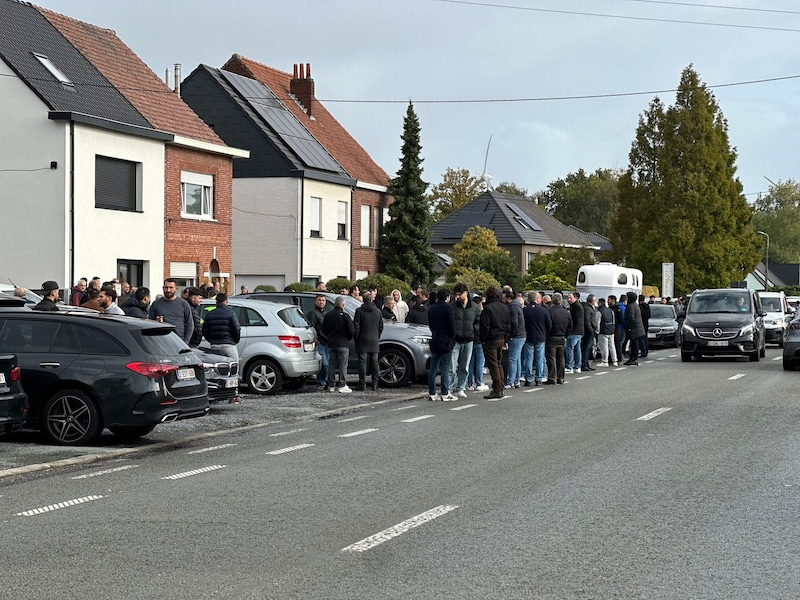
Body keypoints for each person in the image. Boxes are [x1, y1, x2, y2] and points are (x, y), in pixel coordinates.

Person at [479, 286, 510, 399]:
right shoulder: (504, 307)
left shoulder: (488, 308)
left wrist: (483, 338)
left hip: (491, 338)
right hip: (501, 337)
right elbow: (508, 325)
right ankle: (501, 387)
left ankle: (497, 388)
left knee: (493, 365)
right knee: (498, 363)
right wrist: (506, 339)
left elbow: (485, 325)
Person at [450, 282, 480, 397]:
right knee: (452, 367)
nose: (457, 297)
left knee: (464, 367)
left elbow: (478, 322)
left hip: (468, 340)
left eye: (459, 294)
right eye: (456, 294)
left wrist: (473, 330)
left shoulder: (475, 307)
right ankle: (448, 388)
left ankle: (460, 388)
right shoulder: (452, 306)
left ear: (466, 293)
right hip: (455, 340)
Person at [427, 288, 457, 401]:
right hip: (446, 340)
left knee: (433, 368)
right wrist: (452, 338)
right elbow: (452, 325)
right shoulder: (448, 308)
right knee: (445, 367)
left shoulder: (431, 308)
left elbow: (430, 325)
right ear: (447, 297)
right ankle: (445, 393)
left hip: (435, 338)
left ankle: (432, 392)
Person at [353, 291, 384, 391]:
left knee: (362, 362)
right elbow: (381, 326)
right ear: (371, 299)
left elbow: (356, 326)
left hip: (362, 339)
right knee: (374, 362)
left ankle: (362, 383)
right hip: (374, 339)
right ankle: (375, 383)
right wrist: (377, 336)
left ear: (363, 299)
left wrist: (356, 338)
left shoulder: (359, 311)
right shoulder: (378, 311)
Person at [323, 296, 354, 393]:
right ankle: (342, 384)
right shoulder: (345, 316)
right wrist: (347, 338)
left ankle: (331, 385)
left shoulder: (328, 315)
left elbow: (324, 329)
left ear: (334, 304)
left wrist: (329, 337)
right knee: (343, 365)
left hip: (331, 343)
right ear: (343, 305)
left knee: (332, 365)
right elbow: (351, 330)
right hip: (343, 343)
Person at [149, 278, 194, 344]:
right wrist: (157, 322)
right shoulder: (156, 304)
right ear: (163, 288)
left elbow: (190, 324)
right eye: (166, 287)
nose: (168, 290)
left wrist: (185, 342)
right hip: (161, 342)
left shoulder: (183, 304)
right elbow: (150, 324)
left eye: (171, 288)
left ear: (176, 289)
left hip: (179, 342)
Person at [522, 291, 551, 386]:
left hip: (529, 336)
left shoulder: (525, 311)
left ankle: (528, 378)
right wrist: (545, 333)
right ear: (536, 299)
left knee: (528, 359)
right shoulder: (543, 310)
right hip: (540, 336)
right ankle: (539, 378)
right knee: (539, 359)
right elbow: (549, 324)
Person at [201, 293, 241, 361]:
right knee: (234, 365)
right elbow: (236, 329)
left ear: (216, 302)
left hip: (215, 345)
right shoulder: (231, 313)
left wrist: (212, 340)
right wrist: (235, 341)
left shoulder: (209, 314)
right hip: (228, 344)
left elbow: (205, 331)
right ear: (226, 301)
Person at [545, 292, 572, 385]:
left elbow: (547, 325)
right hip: (562, 337)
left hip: (552, 336)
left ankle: (552, 377)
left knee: (551, 358)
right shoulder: (566, 313)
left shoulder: (549, 312)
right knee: (561, 358)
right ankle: (561, 377)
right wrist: (566, 335)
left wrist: (547, 334)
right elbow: (570, 326)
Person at [306, 294, 330, 391]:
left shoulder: (326, 314)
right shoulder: (313, 314)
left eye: (323, 300)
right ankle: (321, 382)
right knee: (323, 364)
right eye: (319, 300)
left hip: (328, 343)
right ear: (316, 302)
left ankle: (326, 382)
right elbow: (312, 329)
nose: (321, 302)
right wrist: (316, 339)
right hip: (320, 343)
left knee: (328, 364)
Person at [502, 289, 525, 388]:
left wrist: (510, 335)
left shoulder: (513, 307)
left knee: (512, 359)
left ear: (508, 298)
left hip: (516, 336)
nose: (503, 300)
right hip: (521, 335)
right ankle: (516, 380)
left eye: (504, 298)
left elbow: (514, 323)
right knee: (516, 359)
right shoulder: (517, 305)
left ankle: (510, 381)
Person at [467, 292, 489, 392]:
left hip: (471, 339)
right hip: (479, 340)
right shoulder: (481, 314)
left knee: (470, 362)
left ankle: (470, 383)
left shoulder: (469, 313)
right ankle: (479, 382)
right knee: (480, 362)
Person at [624, 291, 645, 366]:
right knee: (634, 343)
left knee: (634, 344)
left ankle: (633, 358)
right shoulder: (635, 305)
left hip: (634, 328)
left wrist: (629, 327)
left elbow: (631, 318)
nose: (626, 299)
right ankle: (633, 358)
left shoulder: (631, 306)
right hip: (637, 328)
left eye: (627, 297)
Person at [565, 291, 584, 374]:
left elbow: (574, 320)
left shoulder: (575, 307)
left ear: (575, 298)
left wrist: (569, 329)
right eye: (568, 298)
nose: (569, 299)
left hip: (574, 331)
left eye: (570, 298)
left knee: (569, 348)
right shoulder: (578, 306)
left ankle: (569, 366)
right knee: (577, 349)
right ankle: (577, 366)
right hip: (579, 331)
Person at [596, 298, 618, 367]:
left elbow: (597, 322)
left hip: (603, 331)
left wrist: (597, 331)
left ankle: (605, 361)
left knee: (604, 347)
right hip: (611, 330)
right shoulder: (610, 310)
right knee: (612, 346)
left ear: (600, 303)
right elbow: (613, 321)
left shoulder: (599, 311)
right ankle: (615, 361)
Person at [581, 294, 598, 371]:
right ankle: (584, 364)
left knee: (588, 348)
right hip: (588, 331)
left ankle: (586, 363)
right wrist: (591, 329)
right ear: (592, 301)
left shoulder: (590, 308)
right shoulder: (587, 308)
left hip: (591, 330)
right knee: (586, 348)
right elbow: (587, 320)